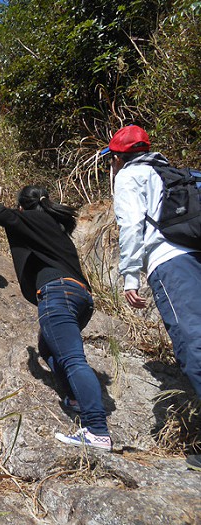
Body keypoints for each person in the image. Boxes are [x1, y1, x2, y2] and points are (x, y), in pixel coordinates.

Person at [0, 185, 112, 451]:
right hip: (79, 295)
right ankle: (76, 399)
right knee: (47, 348)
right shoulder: (55, 227)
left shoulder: (35, 219)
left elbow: (0, 215)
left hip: (57, 293)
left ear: (23, 207)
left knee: (73, 359)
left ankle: (97, 431)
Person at [106, 124, 201, 469]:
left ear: (117, 157)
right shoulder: (172, 172)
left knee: (193, 343)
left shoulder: (129, 178)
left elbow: (131, 225)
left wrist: (130, 276)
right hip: (195, 252)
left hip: (170, 262)